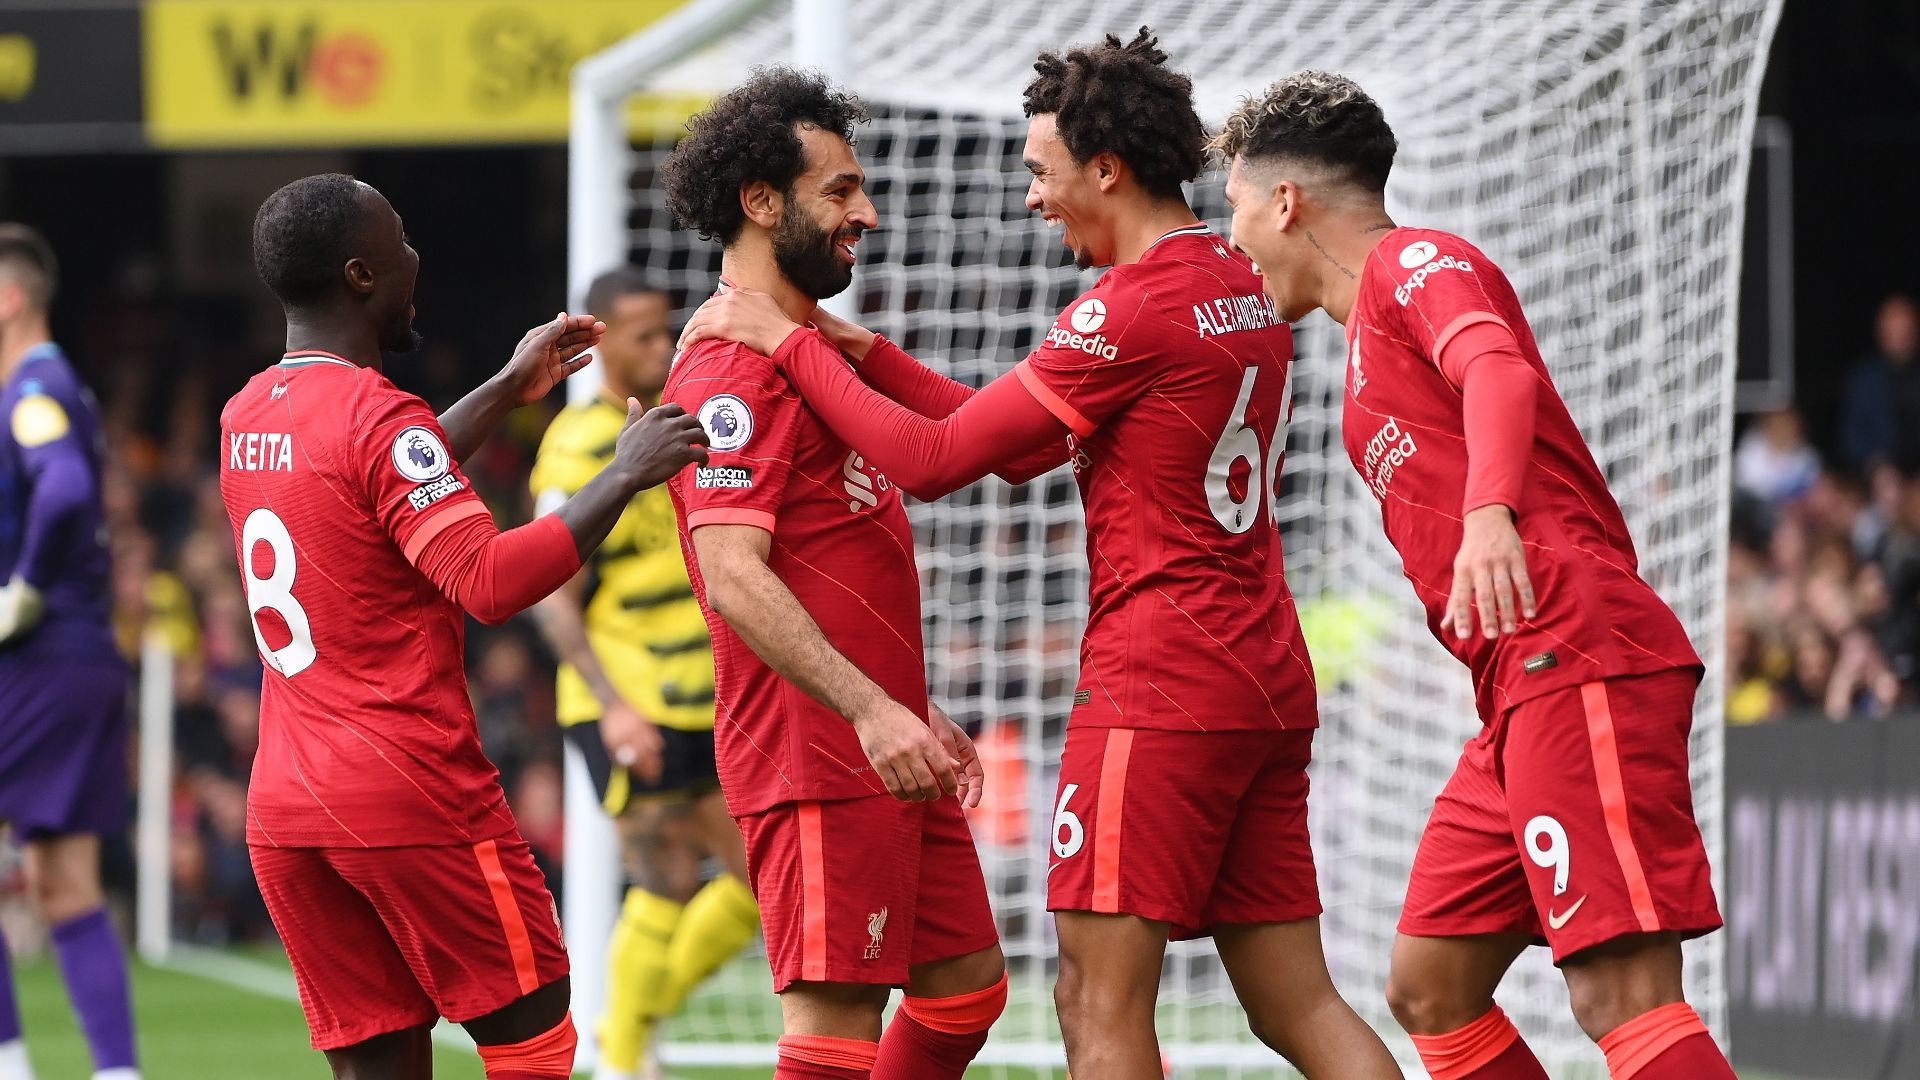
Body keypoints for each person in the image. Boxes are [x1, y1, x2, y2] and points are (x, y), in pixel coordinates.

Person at [677, 32, 1400, 1080]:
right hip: (1266, 674)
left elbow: (937, 462)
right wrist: (863, 352)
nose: (1030, 197)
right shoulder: (1239, 282)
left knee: (1095, 1001)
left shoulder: (1126, 306)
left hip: (1160, 682)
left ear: (1104, 170)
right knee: (1299, 1002)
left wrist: (791, 342)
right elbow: (1014, 450)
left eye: (1039, 170)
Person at [1211, 71, 1731, 1079]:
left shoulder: (1416, 260)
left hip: (1576, 647)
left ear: (1285, 202)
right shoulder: (1359, 346)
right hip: (1518, 688)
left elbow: (1495, 367)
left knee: (1621, 993)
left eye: (1234, 207)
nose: (1233, 240)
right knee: (1431, 984)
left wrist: (1491, 511)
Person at [221, 173, 708, 1079]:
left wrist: (505, 388)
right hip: (406, 789)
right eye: (402, 242)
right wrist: (622, 473)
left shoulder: (245, 412)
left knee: (380, 1068)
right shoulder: (377, 415)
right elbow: (486, 581)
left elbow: (369, 483)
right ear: (362, 275)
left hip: (287, 805)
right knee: (535, 1042)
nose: (417, 259)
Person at [657, 69, 1015, 1080]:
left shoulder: (808, 350)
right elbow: (732, 574)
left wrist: (905, 706)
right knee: (833, 1028)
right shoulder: (731, 370)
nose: (867, 213)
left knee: (967, 989)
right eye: (840, 190)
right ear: (761, 203)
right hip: (817, 754)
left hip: (884, 737)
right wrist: (868, 708)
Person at [528, 268, 758, 1080]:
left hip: (707, 700)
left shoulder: (687, 425)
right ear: (604, 345)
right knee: (663, 879)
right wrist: (613, 705)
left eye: (667, 330)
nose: (663, 347)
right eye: (644, 336)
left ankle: (631, 1023)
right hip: (628, 701)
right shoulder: (576, 446)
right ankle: (623, 1063)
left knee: (760, 884)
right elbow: (552, 596)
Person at [0, 223, 140, 1080]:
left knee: (63, 881)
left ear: (10, 299)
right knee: (65, 883)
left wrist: (24, 586)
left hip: (37, 657)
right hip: (82, 660)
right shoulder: (55, 386)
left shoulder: (31, 386)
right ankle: (117, 1074)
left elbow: (64, 486)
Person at [1837, 294, 1920, 471]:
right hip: (1880, 473)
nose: (1901, 340)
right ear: (1881, 333)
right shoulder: (1863, 379)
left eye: (1906, 332)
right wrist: (1876, 467)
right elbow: (1852, 437)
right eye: (1894, 332)